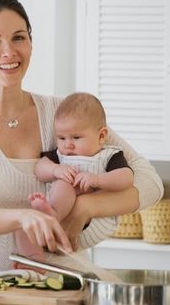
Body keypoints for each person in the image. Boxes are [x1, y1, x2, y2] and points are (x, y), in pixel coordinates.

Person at [0, 0, 163, 281]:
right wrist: (23, 217)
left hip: (67, 284)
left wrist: (87, 207)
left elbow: (150, 182)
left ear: (30, 44)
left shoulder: (63, 114)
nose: (9, 51)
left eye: (18, 38)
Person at [15, 92, 134, 263]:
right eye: (61, 138)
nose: (67, 144)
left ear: (101, 136)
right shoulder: (60, 155)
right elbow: (39, 168)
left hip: (93, 222)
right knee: (22, 226)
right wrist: (56, 169)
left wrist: (97, 180)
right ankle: (34, 261)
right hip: (62, 216)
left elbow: (126, 178)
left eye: (76, 138)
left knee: (65, 184)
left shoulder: (108, 155)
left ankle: (52, 213)